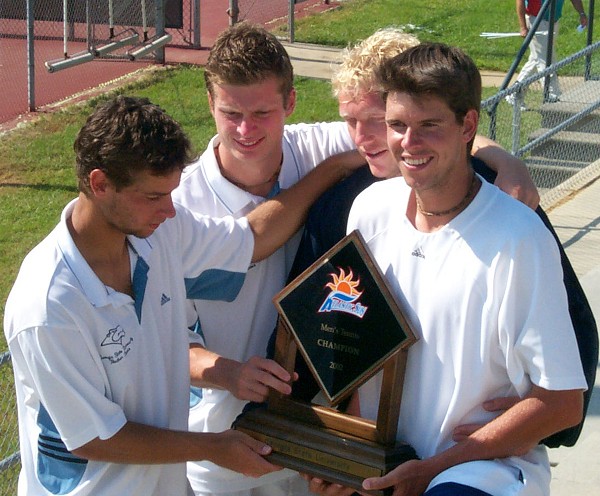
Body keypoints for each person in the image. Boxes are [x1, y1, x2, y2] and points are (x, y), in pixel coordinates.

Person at [172, 22, 540, 496]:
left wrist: (505, 162)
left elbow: (434, 129)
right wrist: (230, 373)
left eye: (262, 112)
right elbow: (165, 338)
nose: (246, 129)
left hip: (324, 444)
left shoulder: (326, 144)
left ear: (289, 104)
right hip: (232, 444)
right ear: (210, 104)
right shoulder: (174, 209)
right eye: (231, 113)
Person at [3, 95, 363, 496]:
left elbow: (253, 238)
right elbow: (95, 438)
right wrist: (212, 447)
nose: (170, 210)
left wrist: (336, 167)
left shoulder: (159, 232)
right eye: (153, 197)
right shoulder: (48, 305)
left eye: (171, 193)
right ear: (100, 184)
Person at [345, 42, 586, 496]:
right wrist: (347, 459)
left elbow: (563, 402)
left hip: (479, 471)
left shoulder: (519, 238)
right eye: (397, 125)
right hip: (386, 467)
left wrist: (432, 469)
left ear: (468, 125)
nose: (408, 143)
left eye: (429, 125)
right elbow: (353, 348)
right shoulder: (369, 211)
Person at [506, 0, 588, 107]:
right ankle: (553, 96)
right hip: (536, 21)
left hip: (553, 21)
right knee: (546, 61)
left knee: (536, 59)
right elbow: (520, 1)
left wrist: (581, 13)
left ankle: (514, 94)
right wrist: (523, 27)